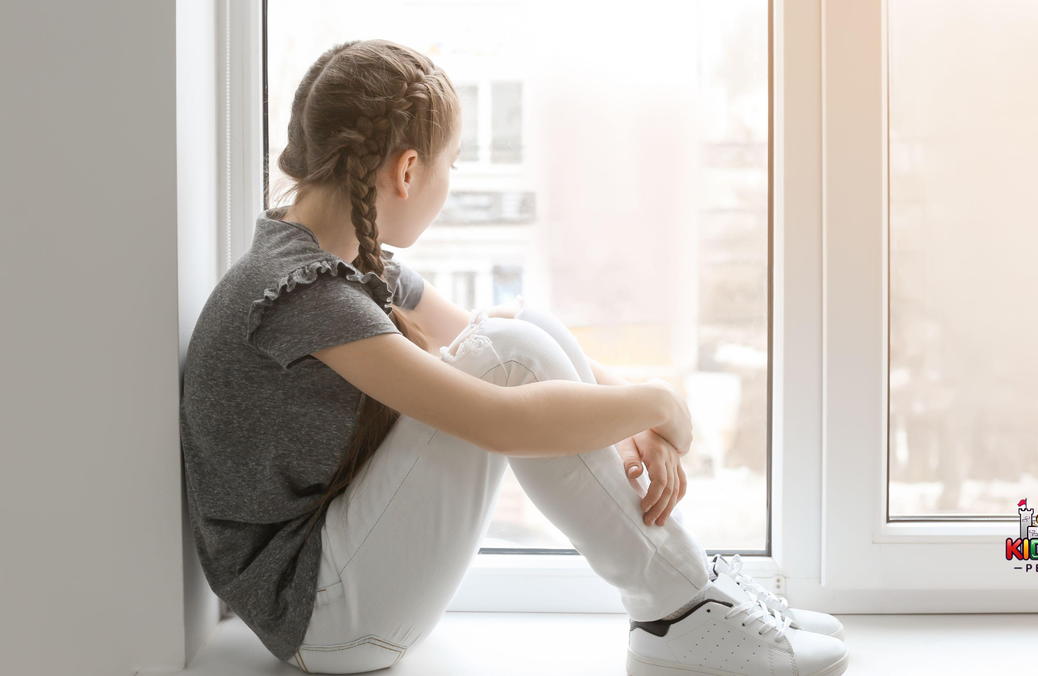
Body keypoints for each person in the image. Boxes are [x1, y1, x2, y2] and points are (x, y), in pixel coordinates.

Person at [179, 39, 847, 676]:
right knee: (508, 351)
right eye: (453, 161)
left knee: (512, 324)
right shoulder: (307, 297)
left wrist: (628, 405)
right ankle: (681, 608)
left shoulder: (330, 265)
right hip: (320, 621)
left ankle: (683, 600)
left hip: (332, 593)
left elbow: (488, 330)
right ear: (407, 170)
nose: (453, 178)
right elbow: (500, 416)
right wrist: (658, 403)